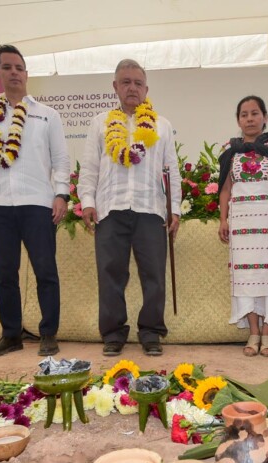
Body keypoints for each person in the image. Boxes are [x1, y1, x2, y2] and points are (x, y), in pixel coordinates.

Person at [0, 44, 71, 358]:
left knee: (45, 271)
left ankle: (48, 334)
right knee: (5, 273)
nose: (14, 73)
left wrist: (61, 194)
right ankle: (10, 334)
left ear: (26, 73)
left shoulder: (46, 115)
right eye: (7, 67)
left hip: (37, 202)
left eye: (19, 67)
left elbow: (61, 159)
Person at [77, 59, 182, 357]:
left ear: (146, 89)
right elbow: (90, 168)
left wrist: (175, 210)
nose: (132, 87)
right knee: (110, 273)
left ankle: (151, 333)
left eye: (137, 83)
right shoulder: (100, 123)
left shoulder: (161, 125)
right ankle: (113, 333)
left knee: (153, 275)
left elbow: (171, 170)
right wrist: (87, 202)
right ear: (115, 87)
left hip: (151, 210)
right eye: (126, 82)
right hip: (111, 208)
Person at [217, 96, 268, 357]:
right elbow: (225, 187)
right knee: (246, 275)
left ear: (265, 117)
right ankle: (253, 331)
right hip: (241, 220)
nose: (249, 119)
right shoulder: (231, 148)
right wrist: (223, 219)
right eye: (244, 114)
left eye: (254, 113)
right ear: (238, 120)